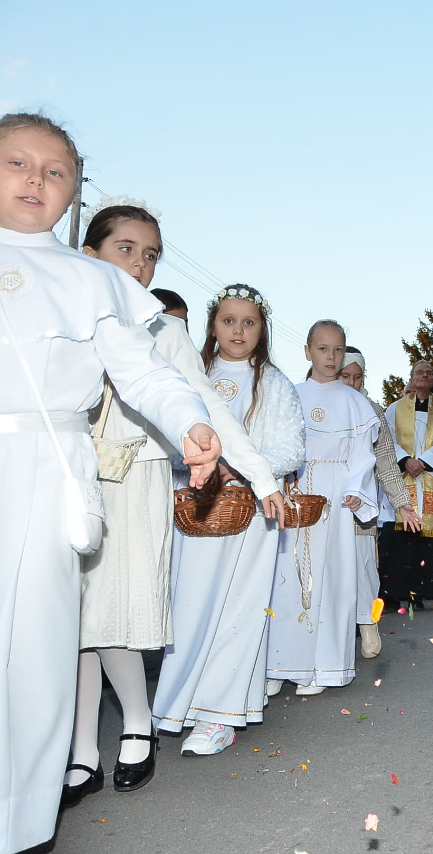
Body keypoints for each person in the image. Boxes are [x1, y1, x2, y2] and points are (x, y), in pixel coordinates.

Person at [0, 112, 222, 853]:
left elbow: (152, 380)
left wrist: (192, 424)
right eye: (17, 163)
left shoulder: (113, 295)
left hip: (69, 476)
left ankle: (37, 814)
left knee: (59, 640)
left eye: (54, 170)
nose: (35, 180)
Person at [69, 209, 284, 805]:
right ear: (89, 253)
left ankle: (137, 723)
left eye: (151, 254)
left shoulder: (166, 332)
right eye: (126, 249)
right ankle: (81, 748)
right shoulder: (65, 313)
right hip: (69, 475)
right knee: (75, 621)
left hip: (135, 478)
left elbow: (203, 406)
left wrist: (261, 474)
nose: (140, 264)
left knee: (117, 611)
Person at [151, 284, 304, 759]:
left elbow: (291, 448)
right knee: (191, 606)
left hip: (249, 513)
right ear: (212, 325)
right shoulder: (190, 373)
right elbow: (165, 428)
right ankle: (179, 705)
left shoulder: (274, 384)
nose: (238, 331)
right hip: (196, 510)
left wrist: (236, 466)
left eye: (249, 322)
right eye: (228, 320)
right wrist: (195, 460)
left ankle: (219, 715)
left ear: (263, 330)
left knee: (239, 609)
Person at [267, 321, 379, 696]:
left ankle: (321, 666)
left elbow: (363, 458)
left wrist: (355, 492)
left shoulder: (357, 404)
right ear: (307, 351)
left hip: (333, 496)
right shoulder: (289, 394)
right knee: (285, 578)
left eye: (337, 350)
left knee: (329, 580)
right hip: (293, 492)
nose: (330, 358)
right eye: (323, 349)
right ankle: (279, 663)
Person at [338, 347, 420, 659]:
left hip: (361, 511)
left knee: (364, 569)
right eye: (345, 376)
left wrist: (403, 503)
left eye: (358, 377)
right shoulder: (315, 403)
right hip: (324, 508)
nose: (352, 383)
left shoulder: (372, 411)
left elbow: (386, 462)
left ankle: (367, 626)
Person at [380, 362, 433, 607]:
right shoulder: (394, 409)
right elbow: (386, 439)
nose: (425, 376)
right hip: (402, 478)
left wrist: (424, 463)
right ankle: (396, 593)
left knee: (429, 539)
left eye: (429, 373)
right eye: (420, 372)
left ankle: (423, 592)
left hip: (431, 479)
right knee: (399, 540)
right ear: (412, 378)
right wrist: (406, 461)